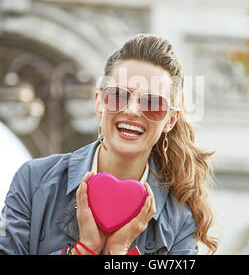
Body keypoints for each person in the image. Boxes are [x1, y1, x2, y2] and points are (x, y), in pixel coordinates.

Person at [0, 34, 217, 255]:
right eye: (119, 96)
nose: (132, 111)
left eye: (152, 103)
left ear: (170, 120)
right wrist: (83, 250)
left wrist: (120, 253)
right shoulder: (33, 181)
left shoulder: (180, 220)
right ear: (99, 102)